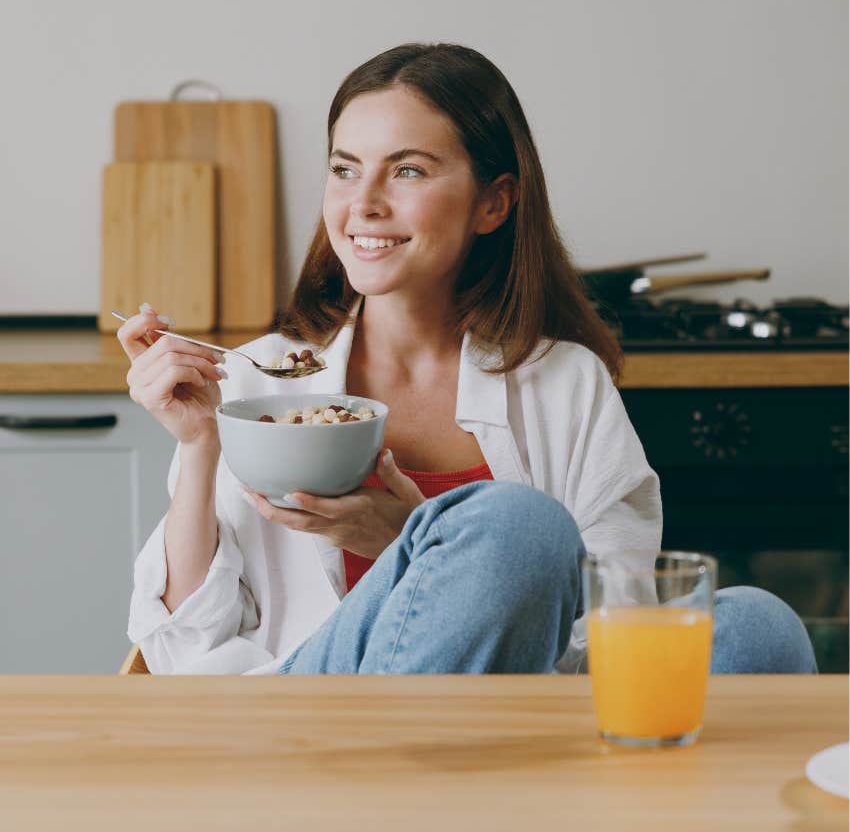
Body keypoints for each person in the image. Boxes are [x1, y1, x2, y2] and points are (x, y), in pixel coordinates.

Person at [118, 42, 816, 676]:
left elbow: (609, 627)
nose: (363, 204)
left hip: (520, 715)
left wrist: (408, 534)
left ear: (494, 204)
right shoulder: (256, 380)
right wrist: (202, 442)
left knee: (759, 627)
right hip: (316, 719)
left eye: (408, 171)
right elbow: (184, 648)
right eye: (344, 169)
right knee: (519, 523)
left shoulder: (566, 383)